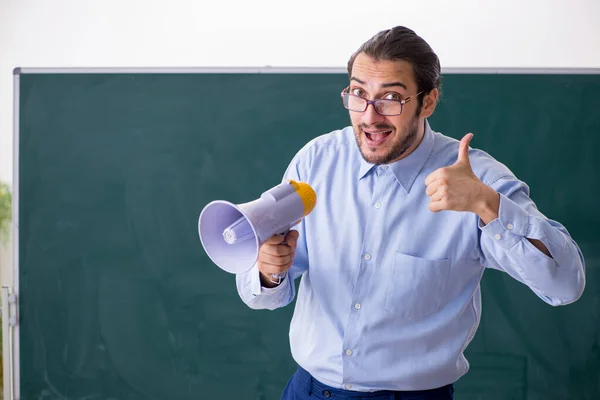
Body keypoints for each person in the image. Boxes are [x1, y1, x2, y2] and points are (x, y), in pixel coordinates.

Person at [235, 26, 586, 400]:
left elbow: (565, 285)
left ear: (428, 101)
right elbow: (262, 294)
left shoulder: (476, 178)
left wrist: (488, 204)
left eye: (391, 98)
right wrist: (268, 270)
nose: (370, 117)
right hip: (306, 390)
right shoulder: (316, 161)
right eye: (358, 94)